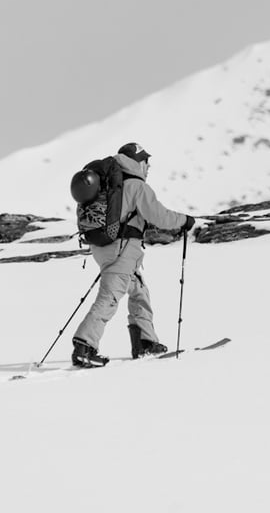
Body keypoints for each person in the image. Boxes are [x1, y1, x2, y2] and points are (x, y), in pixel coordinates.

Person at [72, 142, 195, 368]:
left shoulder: (109, 184)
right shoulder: (136, 186)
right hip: (122, 249)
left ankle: (145, 342)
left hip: (106, 246)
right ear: (138, 162)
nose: (148, 167)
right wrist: (185, 221)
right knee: (110, 296)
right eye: (146, 162)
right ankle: (84, 345)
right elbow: (160, 216)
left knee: (138, 290)